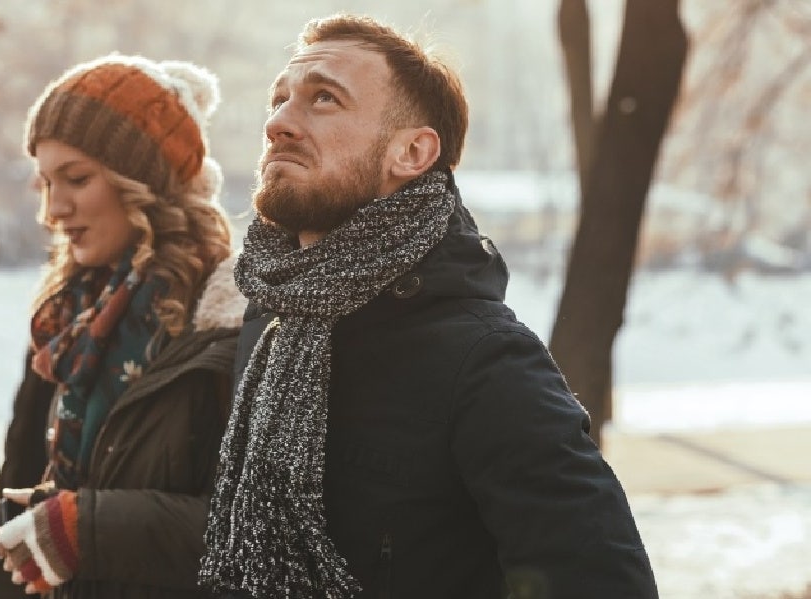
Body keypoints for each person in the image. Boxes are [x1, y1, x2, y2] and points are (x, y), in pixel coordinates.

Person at [198, 14, 658, 599]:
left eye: (324, 99)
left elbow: (601, 582)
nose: (278, 123)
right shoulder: (270, 321)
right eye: (280, 99)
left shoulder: (483, 358)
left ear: (412, 151)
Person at [0, 54, 245, 599]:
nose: (54, 209)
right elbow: (17, 500)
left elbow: (254, 537)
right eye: (45, 183)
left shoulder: (228, 325)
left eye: (77, 179)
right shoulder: (65, 321)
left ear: (143, 181)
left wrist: (89, 527)